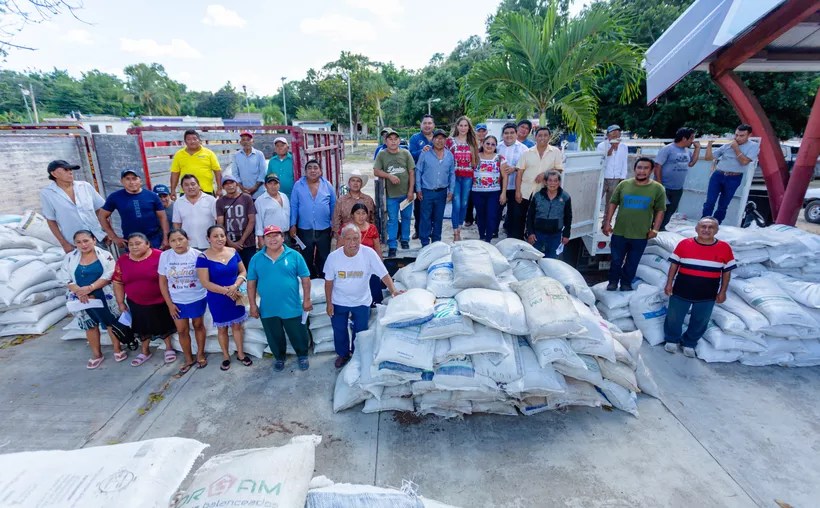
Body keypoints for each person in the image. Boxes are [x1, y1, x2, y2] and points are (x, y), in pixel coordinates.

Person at [324, 223, 401, 369]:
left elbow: (383, 274)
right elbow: (328, 282)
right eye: (348, 239)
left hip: (361, 301)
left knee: (360, 331)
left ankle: (357, 354)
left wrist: (393, 291)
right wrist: (329, 303)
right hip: (339, 301)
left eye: (356, 238)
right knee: (339, 330)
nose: (353, 243)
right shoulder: (333, 258)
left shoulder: (369, 254)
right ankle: (343, 354)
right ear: (342, 239)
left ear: (361, 238)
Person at [663, 217, 736, 357]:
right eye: (703, 226)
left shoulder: (724, 248)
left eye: (711, 227)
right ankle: (672, 339)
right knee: (674, 317)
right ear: (696, 229)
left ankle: (689, 343)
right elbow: (674, 265)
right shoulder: (684, 244)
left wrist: (723, 291)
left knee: (700, 320)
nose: (706, 230)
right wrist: (669, 283)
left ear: (716, 230)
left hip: (707, 293)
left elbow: (727, 272)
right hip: (682, 289)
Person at [247, 225, 312, 372]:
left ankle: (302, 355)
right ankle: (279, 358)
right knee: (274, 335)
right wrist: (253, 305)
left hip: (291, 305)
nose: (272, 239)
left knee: (298, 333)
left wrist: (307, 299)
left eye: (276, 235)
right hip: (268, 307)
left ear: (283, 238)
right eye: (268, 236)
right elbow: (251, 284)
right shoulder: (256, 259)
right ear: (263, 240)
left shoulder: (294, 255)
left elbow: (305, 278)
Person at [60, 230, 126, 369]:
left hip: (103, 294)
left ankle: (117, 349)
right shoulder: (70, 258)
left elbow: (109, 274)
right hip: (81, 297)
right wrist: (79, 291)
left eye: (86, 241)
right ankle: (97, 354)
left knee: (110, 322)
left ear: (94, 240)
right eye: (79, 242)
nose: (83, 245)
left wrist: (90, 288)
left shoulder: (105, 255)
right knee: (89, 325)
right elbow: (65, 277)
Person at [112, 233, 177, 367]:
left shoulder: (160, 256)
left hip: (160, 300)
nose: (134, 247)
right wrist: (120, 302)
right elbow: (117, 282)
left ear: (147, 244)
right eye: (131, 244)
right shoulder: (123, 260)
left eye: (138, 243)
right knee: (141, 327)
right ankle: (145, 351)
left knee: (164, 324)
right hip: (136, 301)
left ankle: (169, 348)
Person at [602, 157, 666, 291]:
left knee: (632, 262)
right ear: (634, 169)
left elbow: (660, 210)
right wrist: (607, 222)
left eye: (645, 168)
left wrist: (655, 229)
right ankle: (612, 282)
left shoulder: (657, 188)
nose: (642, 171)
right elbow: (613, 203)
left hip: (641, 234)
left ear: (651, 170)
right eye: (639, 168)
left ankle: (626, 283)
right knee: (616, 261)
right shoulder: (624, 185)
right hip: (620, 232)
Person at [196, 225, 251, 371]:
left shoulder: (233, 252)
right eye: (215, 236)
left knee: (237, 326)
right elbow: (205, 282)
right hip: (217, 298)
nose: (220, 239)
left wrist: (235, 286)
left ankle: (241, 354)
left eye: (222, 235)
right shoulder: (203, 258)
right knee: (222, 329)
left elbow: (243, 271)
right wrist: (226, 291)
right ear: (208, 239)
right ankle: (226, 356)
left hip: (236, 294)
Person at [158, 229, 209, 374]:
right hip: (176, 300)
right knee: (182, 330)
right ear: (169, 243)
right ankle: (188, 358)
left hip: (197, 297)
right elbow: (162, 282)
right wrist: (170, 304)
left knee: (198, 325)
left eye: (180, 239)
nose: (178, 243)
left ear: (188, 239)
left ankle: (200, 354)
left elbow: (205, 278)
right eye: (173, 240)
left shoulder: (198, 255)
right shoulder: (165, 256)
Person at [40, 160, 107, 253]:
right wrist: (64, 244)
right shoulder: (47, 193)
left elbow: (101, 210)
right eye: (66, 170)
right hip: (74, 243)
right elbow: (51, 220)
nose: (70, 172)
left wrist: (107, 232)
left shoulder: (85, 186)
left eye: (70, 169)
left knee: (105, 261)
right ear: (54, 174)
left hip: (97, 238)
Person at [702, 124, 760, 223]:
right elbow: (708, 158)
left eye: (741, 136)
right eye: (736, 135)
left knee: (723, 205)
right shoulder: (727, 145)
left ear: (749, 135)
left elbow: (744, 162)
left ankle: (716, 224)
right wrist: (709, 144)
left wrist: (736, 148)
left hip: (734, 177)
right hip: (718, 175)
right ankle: (704, 223)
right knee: (709, 202)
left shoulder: (753, 146)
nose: (738, 138)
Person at [99, 169, 169, 250]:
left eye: (134, 179)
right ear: (122, 181)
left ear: (140, 181)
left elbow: (163, 217)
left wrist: (165, 238)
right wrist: (114, 237)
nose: (132, 182)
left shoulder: (152, 196)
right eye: (127, 179)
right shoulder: (115, 197)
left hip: (153, 239)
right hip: (131, 242)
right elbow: (102, 216)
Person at [289, 159, 336, 278]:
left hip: (324, 228)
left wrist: (334, 225)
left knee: (324, 256)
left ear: (320, 171)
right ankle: (309, 279)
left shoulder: (327, 185)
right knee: (306, 256)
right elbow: (294, 205)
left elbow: (333, 205)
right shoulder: (298, 185)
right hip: (304, 229)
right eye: (309, 168)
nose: (312, 170)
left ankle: (323, 279)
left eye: (315, 168)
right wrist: (293, 224)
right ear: (305, 171)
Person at [373, 128, 415, 256]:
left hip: (406, 194)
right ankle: (392, 244)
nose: (393, 141)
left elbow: (412, 172)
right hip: (391, 195)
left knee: (406, 217)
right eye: (390, 139)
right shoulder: (382, 154)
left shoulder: (406, 153)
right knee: (392, 219)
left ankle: (405, 239)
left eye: (395, 139)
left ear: (399, 140)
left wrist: (411, 191)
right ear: (386, 141)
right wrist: (389, 176)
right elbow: (376, 171)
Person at [516, 126, 564, 232]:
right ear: (535, 137)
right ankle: (519, 238)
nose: (543, 138)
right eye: (540, 135)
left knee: (537, 218)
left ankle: (532, 238)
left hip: (543, 192)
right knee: (520, 218)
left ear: (549, 137)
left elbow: (559, 169)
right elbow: (519, 173)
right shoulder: (527, 152)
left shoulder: (555, 151)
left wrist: (545, 174)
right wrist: (518, 191)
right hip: (525, 191)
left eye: (545, 135)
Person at [654, 127, 700, 230]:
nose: (692, 141)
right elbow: (657, 166)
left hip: (678, 188)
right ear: (684, 138)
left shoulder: (686, 151)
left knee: (671, 209)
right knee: (660, 209)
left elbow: (691, 163)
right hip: (664, 186)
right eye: (691, 138)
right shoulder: (668, 149)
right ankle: (654, 227)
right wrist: (660, 185)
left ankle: (661, 228)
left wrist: (697, 149)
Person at [415, 129, 455, 246]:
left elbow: (452, 174)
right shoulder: (425, 153)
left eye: (442, 138)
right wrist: (418, 189)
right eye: (437, 138)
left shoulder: (449, 155)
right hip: (426, 191)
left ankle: (436, 242)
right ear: (433, 140)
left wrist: (451, 191)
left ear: (445, 140)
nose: (439, 141)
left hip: (442, 192)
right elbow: (418, 171)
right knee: (425, 218)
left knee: (438, 218)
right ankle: (425, 242)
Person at [446, 116, 479, 241]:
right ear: (457, 126)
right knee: (456, 203)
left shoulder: (473, 142)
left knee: (464, 204)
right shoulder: (450, 141)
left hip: (468, 177)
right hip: (454, 177)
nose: (463, 128)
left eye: (466, 125)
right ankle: (455, 232)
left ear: (469, 127)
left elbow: (476, 161)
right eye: (461, 125)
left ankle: (459, 228)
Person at [526, 171, 572, 259]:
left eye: (555, 181)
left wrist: (566, 235)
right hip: (537, 235)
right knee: (534, 260)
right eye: (550, 180)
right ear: (545, 182)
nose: (552, 183)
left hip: (555, 236)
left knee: (551, 261)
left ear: (559, 182)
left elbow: (568, 217)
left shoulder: (565, 197)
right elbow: (530, 216)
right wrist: (530, 233)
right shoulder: (537, 196)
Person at [216, 174, 257, 269]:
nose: (229, 185)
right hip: (229, 244)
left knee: (250, 269)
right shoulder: (220, 202)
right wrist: (229, 242)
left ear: (237, 184)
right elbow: (220, 224)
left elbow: (251, 220)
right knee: (233, 270)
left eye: (232, 183)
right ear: (223, 187)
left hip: (248, 243)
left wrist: (242, 240)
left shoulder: (246, 198)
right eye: (226, 184)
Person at [347, 202, 384, 305]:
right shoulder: (347, 229)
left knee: (374, 287)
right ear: (352, 215)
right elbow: (340, 248)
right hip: (353, 263)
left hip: (369, 263)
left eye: (363, 213)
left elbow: (377, 248)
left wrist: (380, 266)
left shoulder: (372, 228)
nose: (361, 216)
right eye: (358, 213)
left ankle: (375, 305)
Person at [472, 136, 507, 243]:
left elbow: (505, 176)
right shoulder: (475, 156)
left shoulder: (500, 158)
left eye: (493, 144)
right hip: (477, 192)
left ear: (496, 146)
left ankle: (488, 239)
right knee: (480, 215)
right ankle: (482, 236)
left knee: (491, 215)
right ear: (483, 144)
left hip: (494, 193)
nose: (490, 146)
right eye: (487, 143)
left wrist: (503, 193)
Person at [497, 122, 528, 240]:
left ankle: (514, 239)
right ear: (502, 134)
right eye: (506, 133)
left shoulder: (524, 149)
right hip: (500, 186)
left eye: (511, 133)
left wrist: (515, 168)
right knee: (496, 212)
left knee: (516, 215)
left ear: (516, 134)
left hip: (516, 186)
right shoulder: (498, 147)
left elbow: (528, 166)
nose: (509, 135)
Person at [169, 129, 222, 198]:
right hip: (186, 191)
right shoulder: (179, 155)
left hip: (206, 191)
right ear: (185, 142)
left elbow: (217, 171)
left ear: (199, 140)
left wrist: (219, 188)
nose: (192, 141)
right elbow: (175, 173)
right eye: (189, 139)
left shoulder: (209, 153)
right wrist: (173, 190)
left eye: (194, 139)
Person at [408, 115, 436, 240]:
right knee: (419, 206)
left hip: (435, 178)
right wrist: (422, 151)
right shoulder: (415, 138)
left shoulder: (438, 138)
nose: (427, 125)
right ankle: (418, 230)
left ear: (433, 125)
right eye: (425, 123)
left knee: (433, 207)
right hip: (419, 178)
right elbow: (410, 155)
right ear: (421, 125)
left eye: (430, 123)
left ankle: (431, 230)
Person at [172, 174, 217, 250]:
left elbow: (217, 221)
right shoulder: (178, 202)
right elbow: (177, 223)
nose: (190, 187)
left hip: (209, 244)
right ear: (182, 188)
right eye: (186, 185)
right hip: (189, 245)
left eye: (193, 184)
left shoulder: (211, 200)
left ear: (199, 186)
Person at [332, 170, 376, 239]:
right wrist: (339, 238)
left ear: (361, 184)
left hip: (366, 236)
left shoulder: (368, 200)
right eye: (353, 180)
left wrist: (372, 236)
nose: (355, 183)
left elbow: (373, 219)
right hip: (347, 238)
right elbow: (336, 221)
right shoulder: (341, 201)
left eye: (358, 181)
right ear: (349, 183)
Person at [255, 173, 291, 248]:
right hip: (271, 237)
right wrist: (260, 239)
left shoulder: (284, 196)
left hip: (286, 235)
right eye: (270, 183)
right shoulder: (260, 201)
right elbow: (258, 222)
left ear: (279, 185)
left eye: (275, 183)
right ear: (265, 185)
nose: (273, 186)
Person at [597, 124, 629, 206]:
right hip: (603, 177)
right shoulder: (601, 146)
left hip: (616, 178)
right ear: (608, 135)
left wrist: (623, 177)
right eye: (613, 134)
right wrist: (612, 147)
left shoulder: (624, 147)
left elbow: (624, 162)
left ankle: (607, 215)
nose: (615, 135)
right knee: (596, 200)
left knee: (611, 202)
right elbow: (604, 158)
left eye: (617, 134)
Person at [233, 131, 266, 199]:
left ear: (252, 141)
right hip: (243, 193)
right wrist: (242, 188)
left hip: (259, 193)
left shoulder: (259, 154)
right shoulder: (236, 155)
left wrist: (254, 188)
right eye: (243, 140)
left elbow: (263, 173)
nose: (246, 142)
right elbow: (235, 173)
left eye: (248, 139)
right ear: (240, 142)